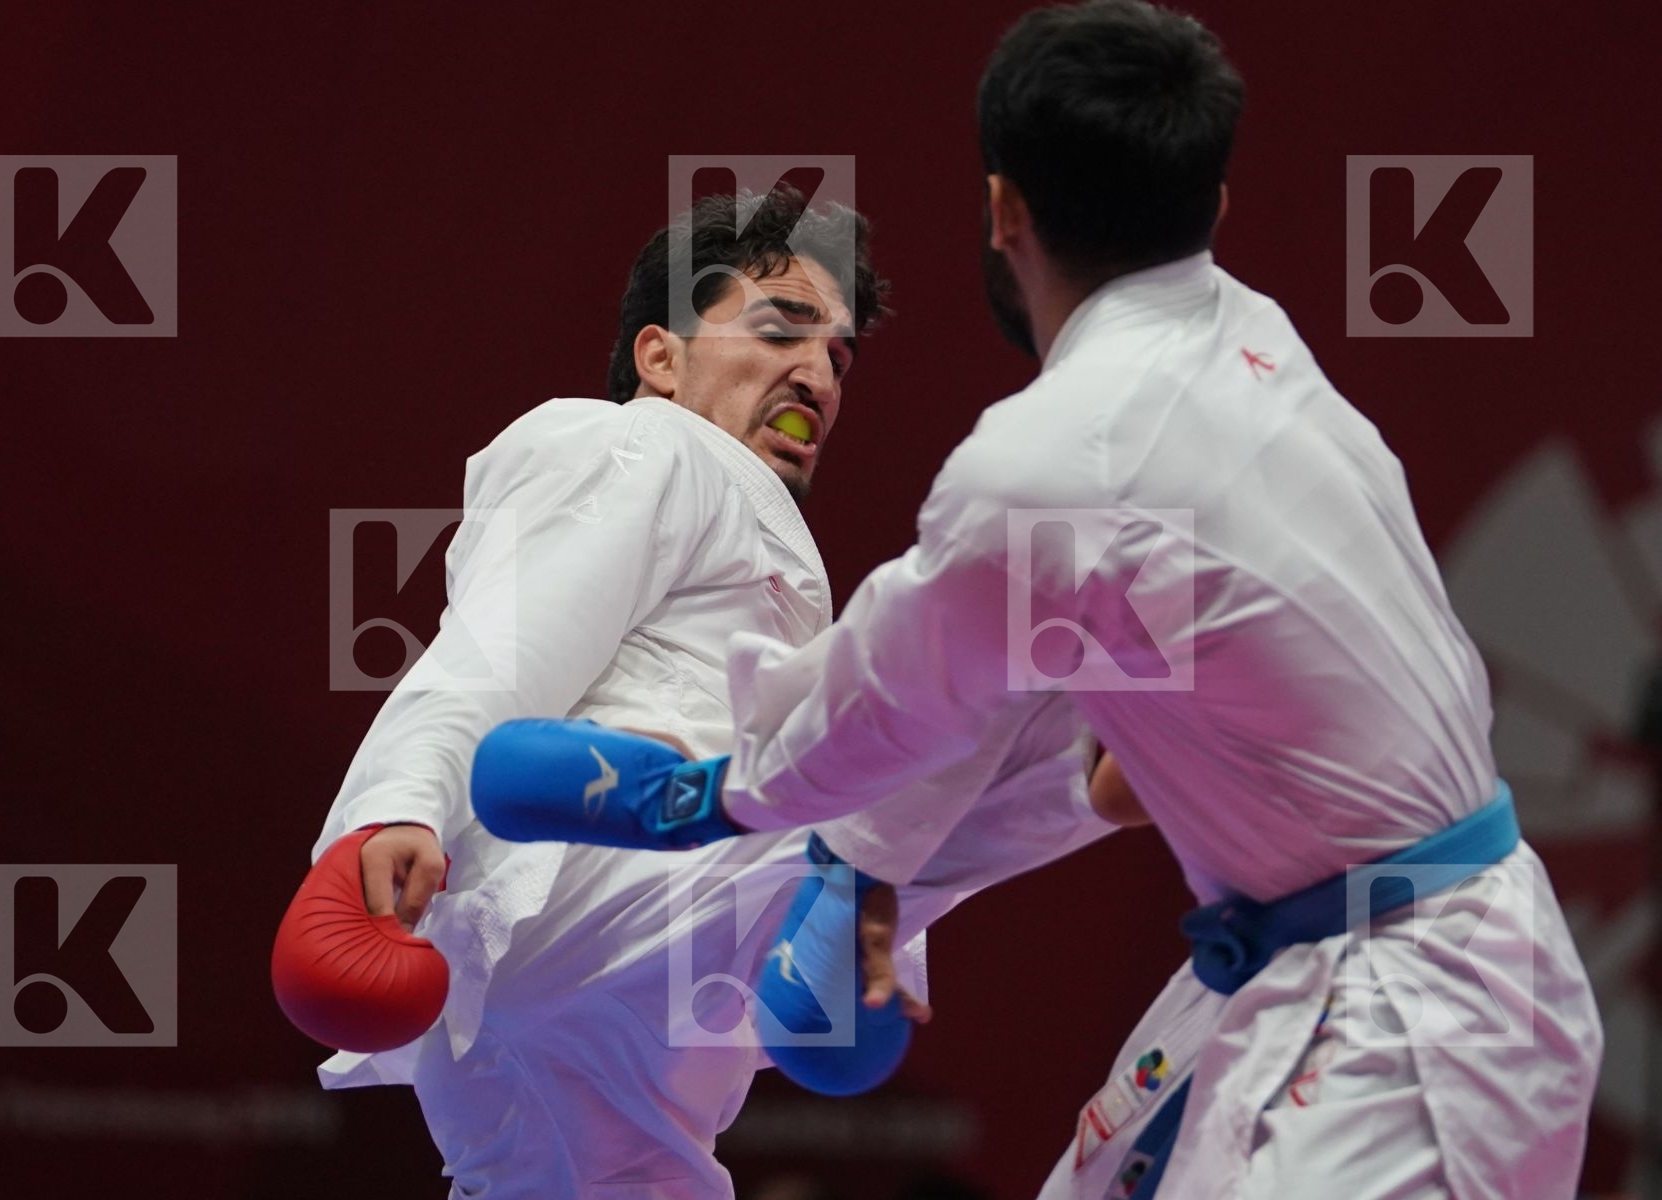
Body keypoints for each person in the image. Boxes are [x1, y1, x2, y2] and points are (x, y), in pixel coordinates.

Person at [467, 4, 1603, 1198]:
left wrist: (701, 802)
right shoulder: (1255, 338)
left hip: (1421, 1016)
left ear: (1004, 207)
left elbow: (898, 706)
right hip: (1295, 960)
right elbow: (1049, 727)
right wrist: (879, 861)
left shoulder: (1050, 466)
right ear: (1212, 204)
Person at [288, 187, 1119, 1199]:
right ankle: (892, 846)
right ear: (661, 358)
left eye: (839, 357)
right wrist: (388, 810)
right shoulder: (645, 444)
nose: (816, 372)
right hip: (592, 875)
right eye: (781, 330)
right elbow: (500, 645)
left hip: (629, 1020)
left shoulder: (753, 529)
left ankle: (875, 871)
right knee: (1050, 614)